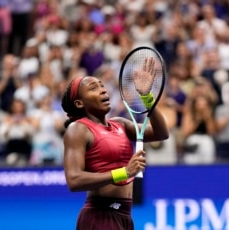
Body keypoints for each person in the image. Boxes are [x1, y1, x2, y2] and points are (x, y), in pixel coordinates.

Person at [62, 59, 169, 230]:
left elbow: (161, 133)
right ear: (79, 103)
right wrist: (125, 172)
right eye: (93, 88)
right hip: (99, 216)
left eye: (102, 85)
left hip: (125, 217)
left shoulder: (120, 124)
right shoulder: (78, 129)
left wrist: (146, 96)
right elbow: (74, 180)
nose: (102, 89)